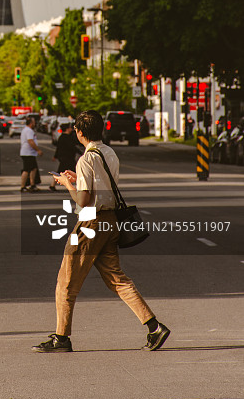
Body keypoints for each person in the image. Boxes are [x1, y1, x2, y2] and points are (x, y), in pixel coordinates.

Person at [33, 109, 170, 353]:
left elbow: (84, 201)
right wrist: (78, 179)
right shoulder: (109, 153)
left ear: (79, 132)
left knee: (66, 281)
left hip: (91, 223)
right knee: (117, 278)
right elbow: (102, 186)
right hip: (110, 222)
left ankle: (61, 338)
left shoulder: (86, 159)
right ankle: (154, 326)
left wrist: (66, 184)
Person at [49, 121, 80, 191]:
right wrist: (81, 152)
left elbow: (58, 148)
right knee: (75, 171)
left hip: (63, 157)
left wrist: (55, 156)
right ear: (67, 129)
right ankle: (81, 186)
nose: (71, 129)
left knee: (61, 172)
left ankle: (52, 185)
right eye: (69, 128)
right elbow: (73, 147)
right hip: (68, 157)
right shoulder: (68, 138)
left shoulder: (61, 137)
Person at [20, 115, 43, 192]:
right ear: (31, 123)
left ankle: (32, 184)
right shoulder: (29, 131)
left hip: (29, 153)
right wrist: (38, 150)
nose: (35, 124)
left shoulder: (26, 130)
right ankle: (23, 186)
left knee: (33, 168)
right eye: (33, 122)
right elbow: (30, 141)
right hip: (28, 153)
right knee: (26, 169)